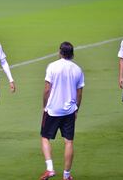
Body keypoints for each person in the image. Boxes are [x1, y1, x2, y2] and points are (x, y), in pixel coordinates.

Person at [39, 42, 84, 180]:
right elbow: (79, 93)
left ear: (60, 52)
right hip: (69, 110)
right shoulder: (78, 69)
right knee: (68, 141)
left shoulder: (52, 66)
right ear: (72, 53)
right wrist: (76, 109)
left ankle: (50, 169)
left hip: (53, 109)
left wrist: (44, 106)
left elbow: (47, 89)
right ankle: (66, 175)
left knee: (45, 137)